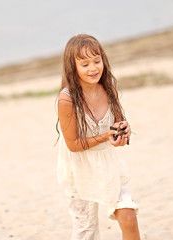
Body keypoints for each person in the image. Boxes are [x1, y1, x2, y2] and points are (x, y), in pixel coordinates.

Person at [56, 34, 140, 240]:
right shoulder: (66, 100)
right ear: (72, 67)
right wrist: (105, 136)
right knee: (86, 231)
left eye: (96, 61)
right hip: (78, 169)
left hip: (108, 163)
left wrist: (123, 131)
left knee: (128, 217)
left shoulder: (108, 85)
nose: (93, 69)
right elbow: (73, 145)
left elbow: (117, 124)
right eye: (84, 64)